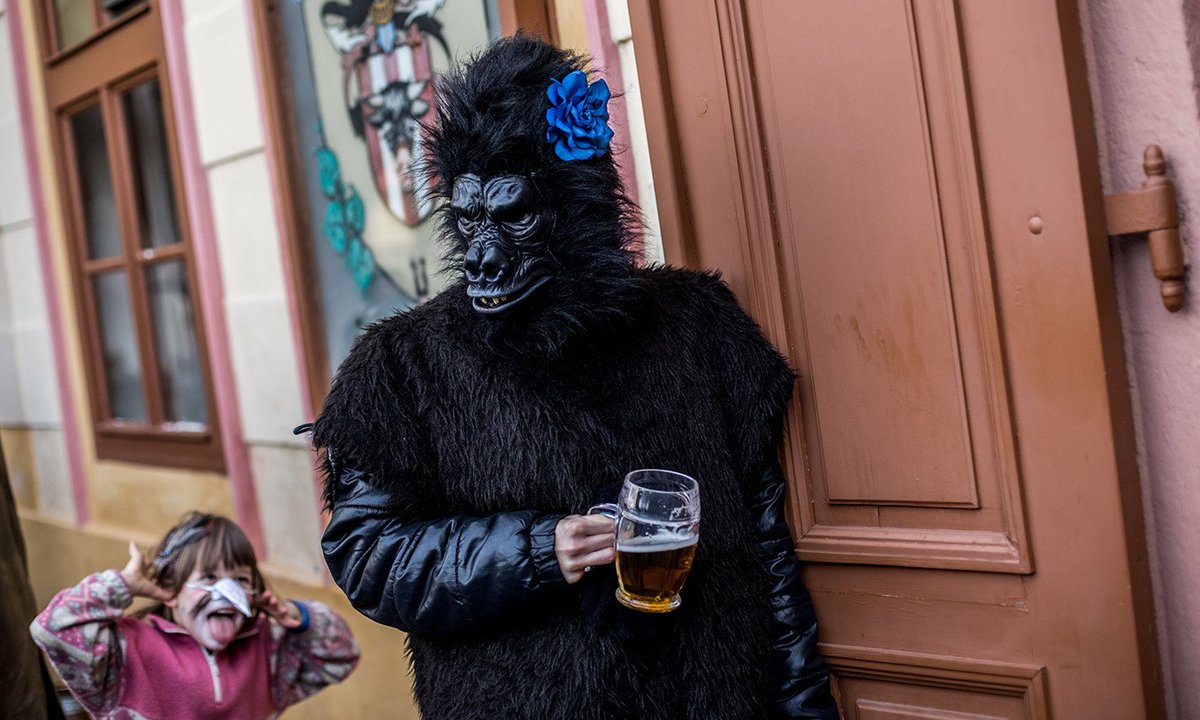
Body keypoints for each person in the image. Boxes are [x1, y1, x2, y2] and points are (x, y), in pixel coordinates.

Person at [313, 36, 838, 719]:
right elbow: (367, 554)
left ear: (575, 209)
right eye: (469, 219)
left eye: (513, 214)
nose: (483, 258)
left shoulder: (697, 326)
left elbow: (770, 552)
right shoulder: (403, 367)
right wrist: (535, 549)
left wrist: (805, 708)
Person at [30, 512, 360, 719]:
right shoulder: (125, 651)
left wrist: (296, 616)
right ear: (171, 591)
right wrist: (121, 586)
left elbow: (342, 655)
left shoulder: (268, 647)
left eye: (240, 579)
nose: (225, 592)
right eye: (209, 578)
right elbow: (53, 628)